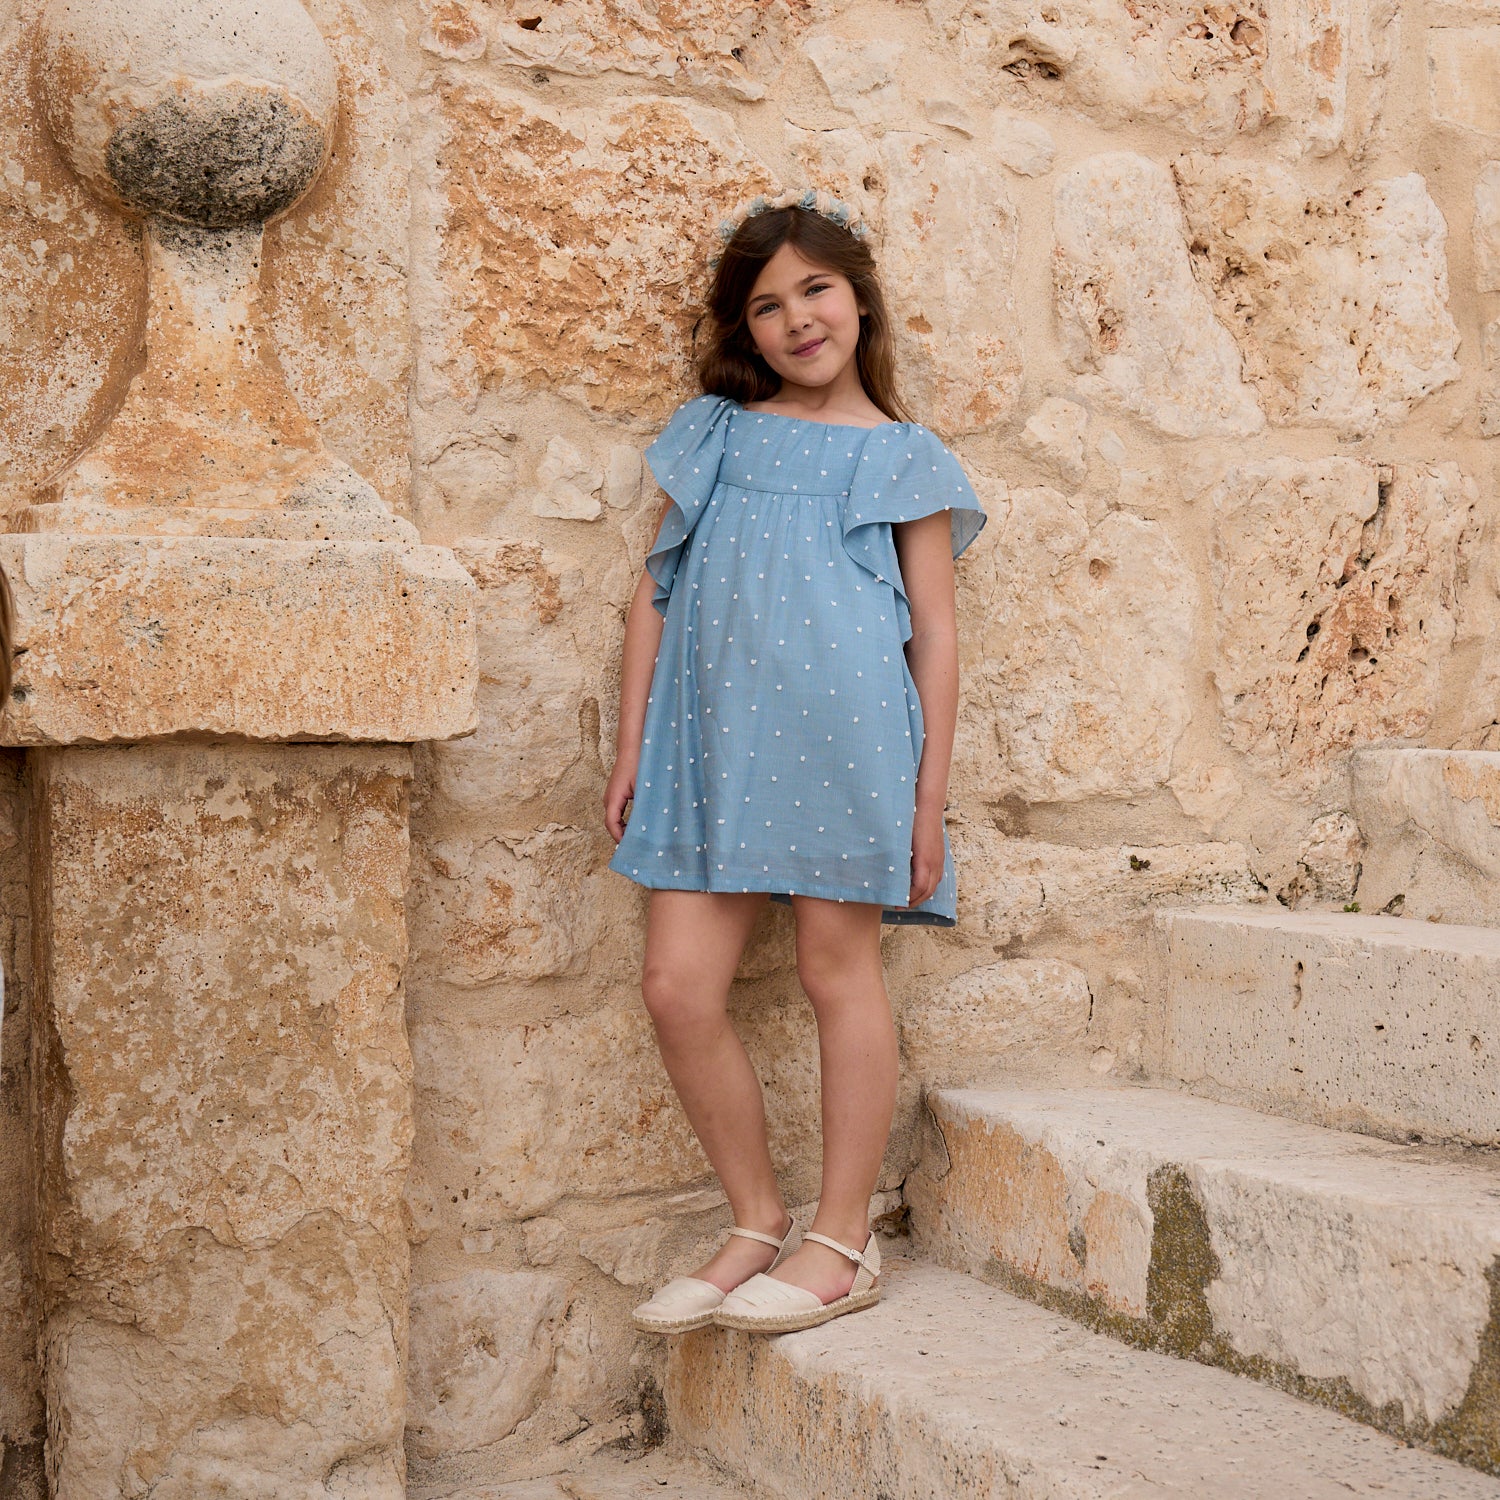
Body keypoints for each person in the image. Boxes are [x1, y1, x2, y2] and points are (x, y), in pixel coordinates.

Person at [603, 187, 986, 1335]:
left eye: (815, 289)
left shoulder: (903, 458)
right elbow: (655, 593)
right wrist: (632, 744)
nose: (796, 319)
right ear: (748, 329)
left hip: (847, 741)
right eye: (767, 305)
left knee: (835, 971)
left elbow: (936, 636)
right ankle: (755, 1219)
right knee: (676, 986)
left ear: (858, 299)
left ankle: (843, 1237)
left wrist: (927, 801)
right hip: (709, 743)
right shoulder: (717, 435)